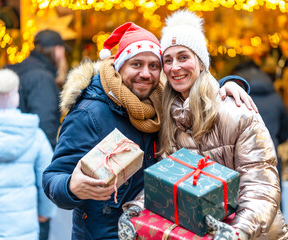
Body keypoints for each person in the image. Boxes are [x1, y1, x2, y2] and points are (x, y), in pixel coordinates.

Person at [42, 21, 255, 240]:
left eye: (154, 66)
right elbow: (52, 177)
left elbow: (194, 91)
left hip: (150, 231)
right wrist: (70, 187)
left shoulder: (159, 105)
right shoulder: (89, 113)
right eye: (136, 64)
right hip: (106, 234)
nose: (146, 73)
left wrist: (226, 86)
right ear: (119, 65)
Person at [119, 10, 288, 240]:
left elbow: (261, 187)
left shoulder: (237, 112)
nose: (174, 67)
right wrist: (137, 209)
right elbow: (168, 180)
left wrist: (236, 232)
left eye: (183, 57)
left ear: (200, 62)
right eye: (167, 60)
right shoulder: (168, 117)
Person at [0, 69, 56, 240]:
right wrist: (45, 212)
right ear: (16, 97)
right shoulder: (34, 133)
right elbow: (46, 177)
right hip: (23, 228)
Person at [230, 59, 288, 209]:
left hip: (238, 162)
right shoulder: (275, 97)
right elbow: (285, 133)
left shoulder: (232, 97)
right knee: (272, 205)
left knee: (242, 209)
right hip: (270, 160)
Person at [6, 29, 69, 150]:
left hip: (14, 149)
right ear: (58, 50)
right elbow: (45, 126)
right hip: (31, 155)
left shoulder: (22, 70)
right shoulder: (42, 78)